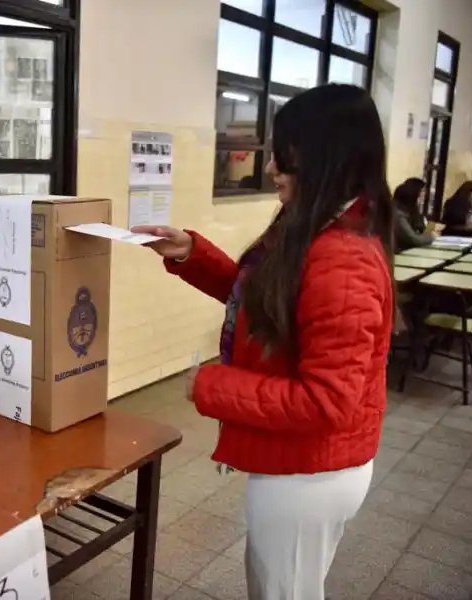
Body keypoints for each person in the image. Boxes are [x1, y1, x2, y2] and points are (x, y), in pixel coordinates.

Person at [133, 84, 394, 600]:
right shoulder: (318, 227)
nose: (271, 168)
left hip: (310, 476)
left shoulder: (342, 258)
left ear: (325, 158)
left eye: (285, 157)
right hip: (299, 465)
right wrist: (192, 254)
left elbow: (327, 401)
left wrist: (213, 385)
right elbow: (265, 302)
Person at [393, 177, 435, 251]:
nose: (424, 195)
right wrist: (432, 237)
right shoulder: (398, 213)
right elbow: (414, 239)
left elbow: (421, 230)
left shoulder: (412, 209)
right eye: (422, 192)